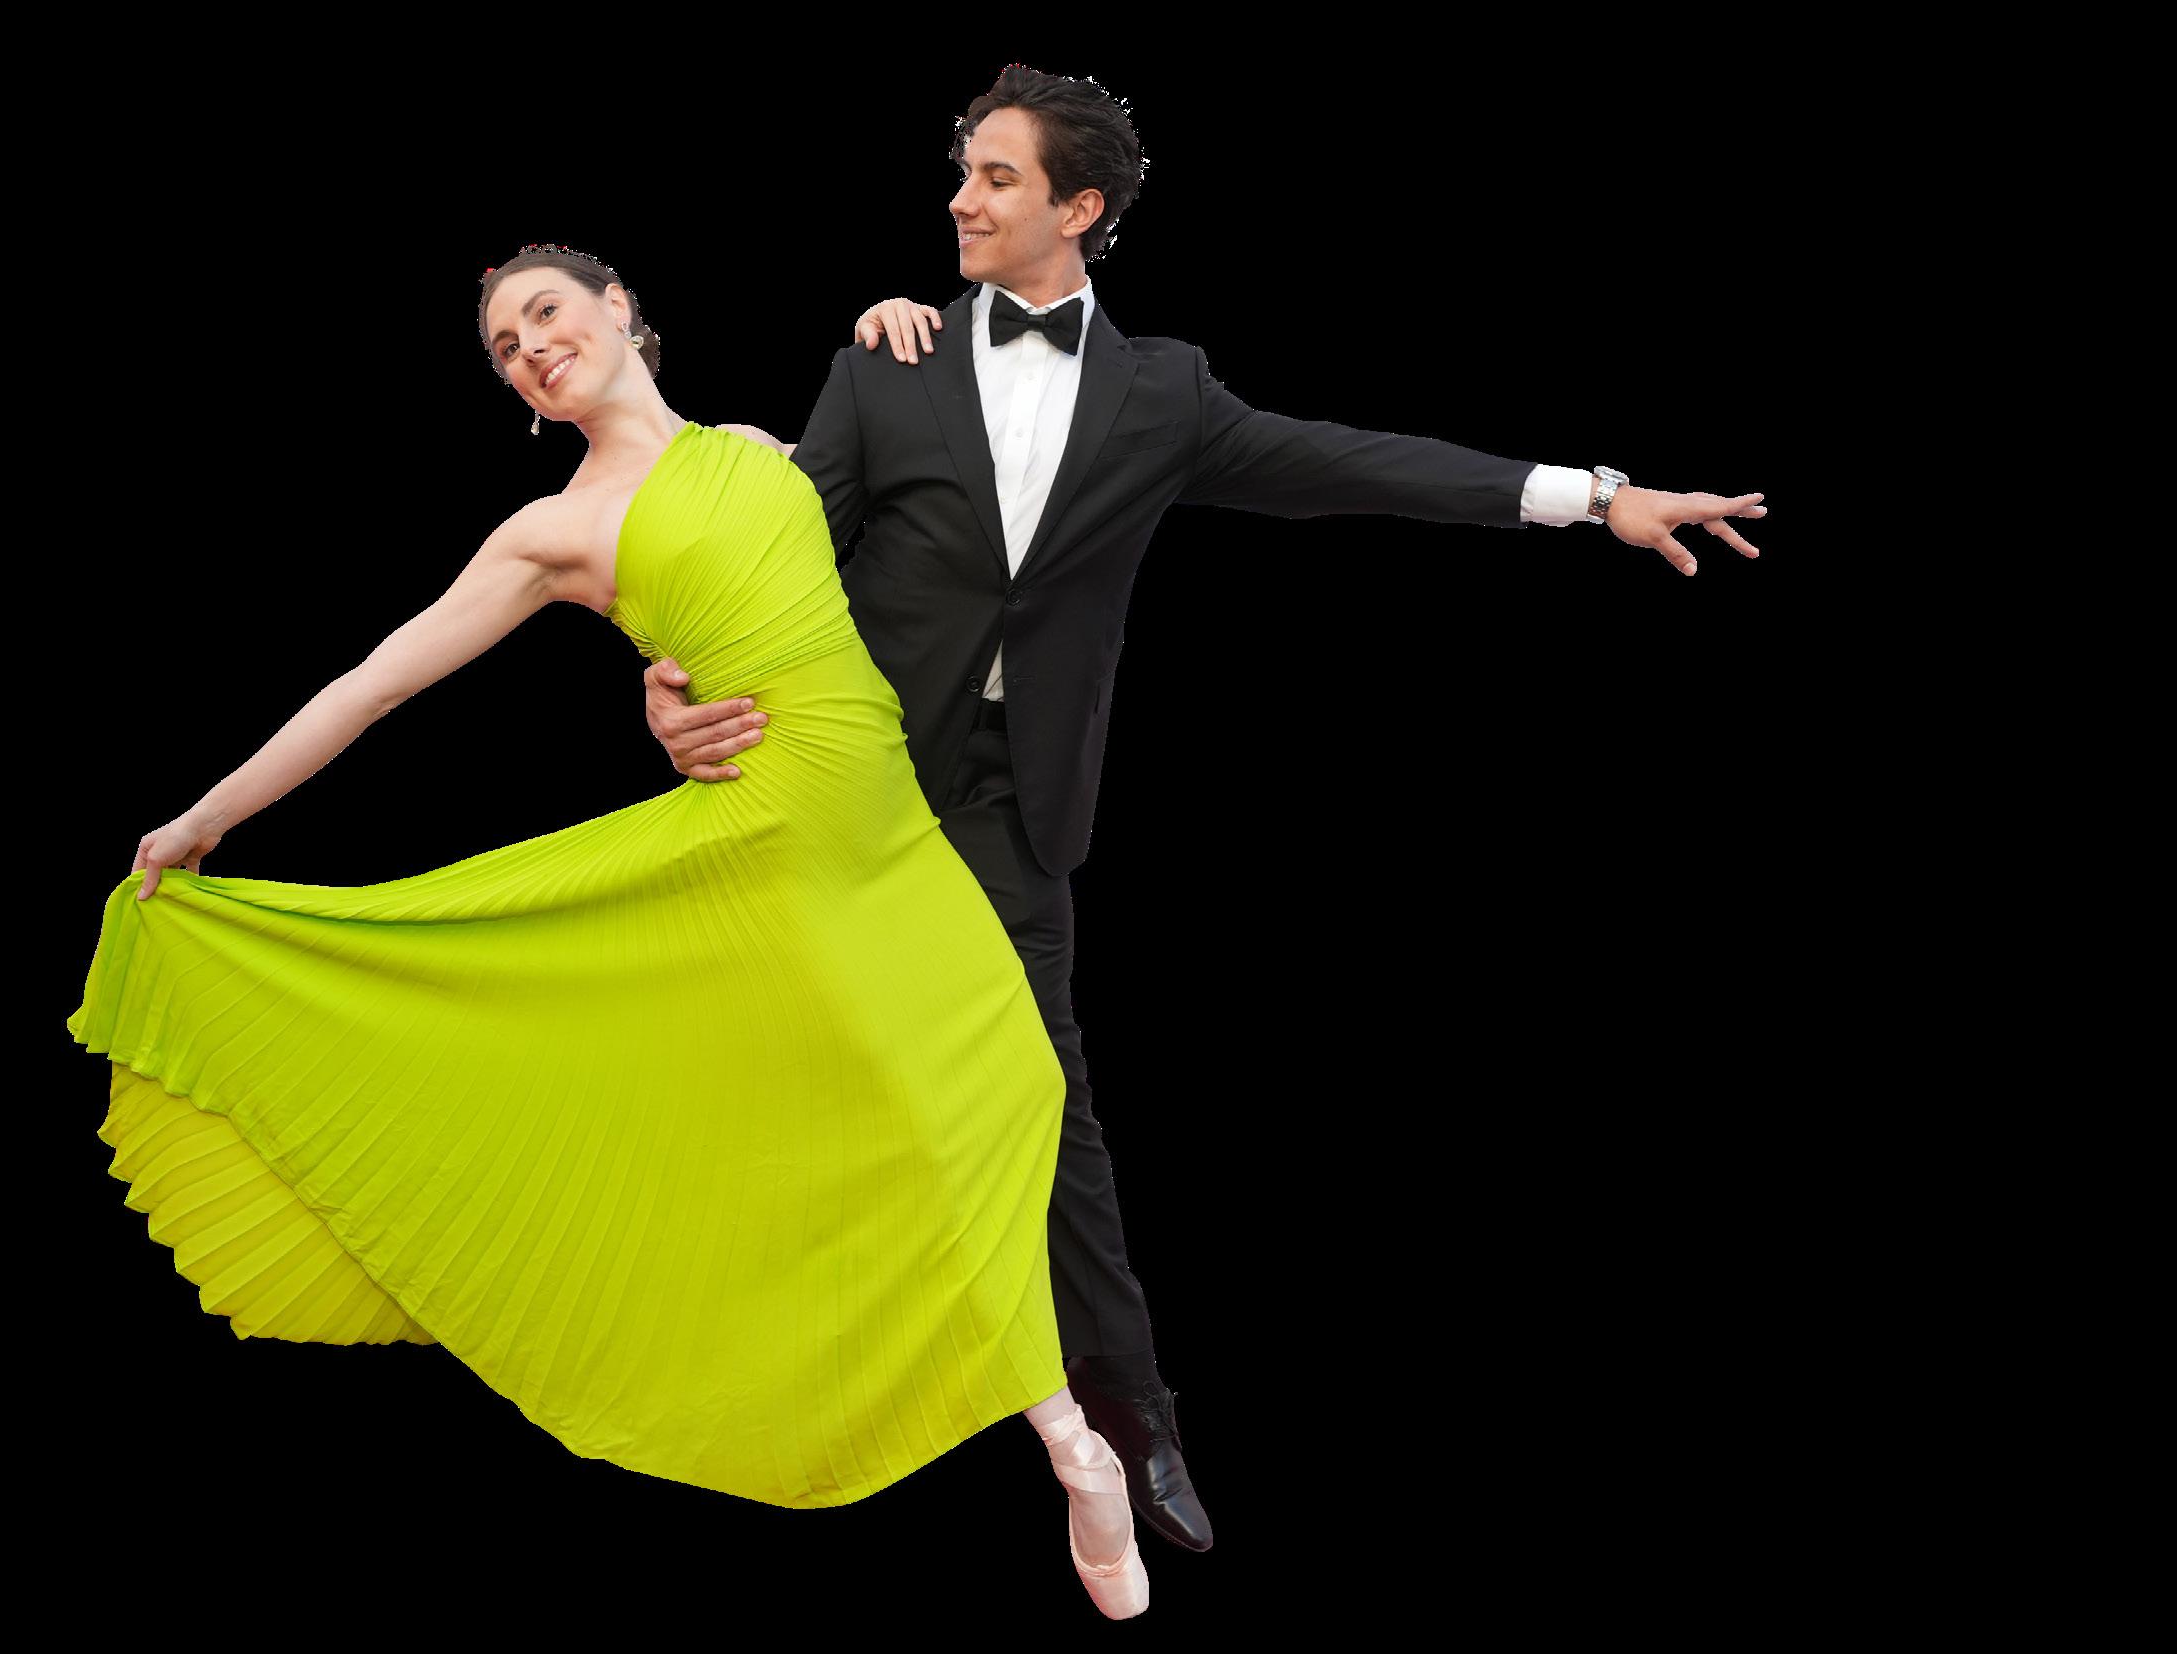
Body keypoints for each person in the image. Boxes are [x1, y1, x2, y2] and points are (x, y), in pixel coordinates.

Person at [636, 65, 1769, 1556]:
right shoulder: (883, 362)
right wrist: (676, 682)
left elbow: (1351, 463)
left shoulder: (1163, 393)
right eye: (963, 172)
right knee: (793, 1071)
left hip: (1016, 803)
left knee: (1046, 1105)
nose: (961, 200)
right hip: (851, 778)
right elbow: (778, 562)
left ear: (1079, 208)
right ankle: (766, 1382)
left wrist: (1593, 495)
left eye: (995, 178)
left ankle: (1131, 1419)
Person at [65, 242, 1153, 1618]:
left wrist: (901, 314)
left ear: (620, 309)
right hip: (774, 847)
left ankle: (1045, 1418)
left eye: (545, 313)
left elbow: (916, 548)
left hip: (891, 832)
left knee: (1019, 1085)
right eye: (505, 348)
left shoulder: (759, 451)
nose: (529, 347)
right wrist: (202, 818)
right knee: (917, 1126)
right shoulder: (553, 533)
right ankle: (1070, 1443)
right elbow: (371, 684)